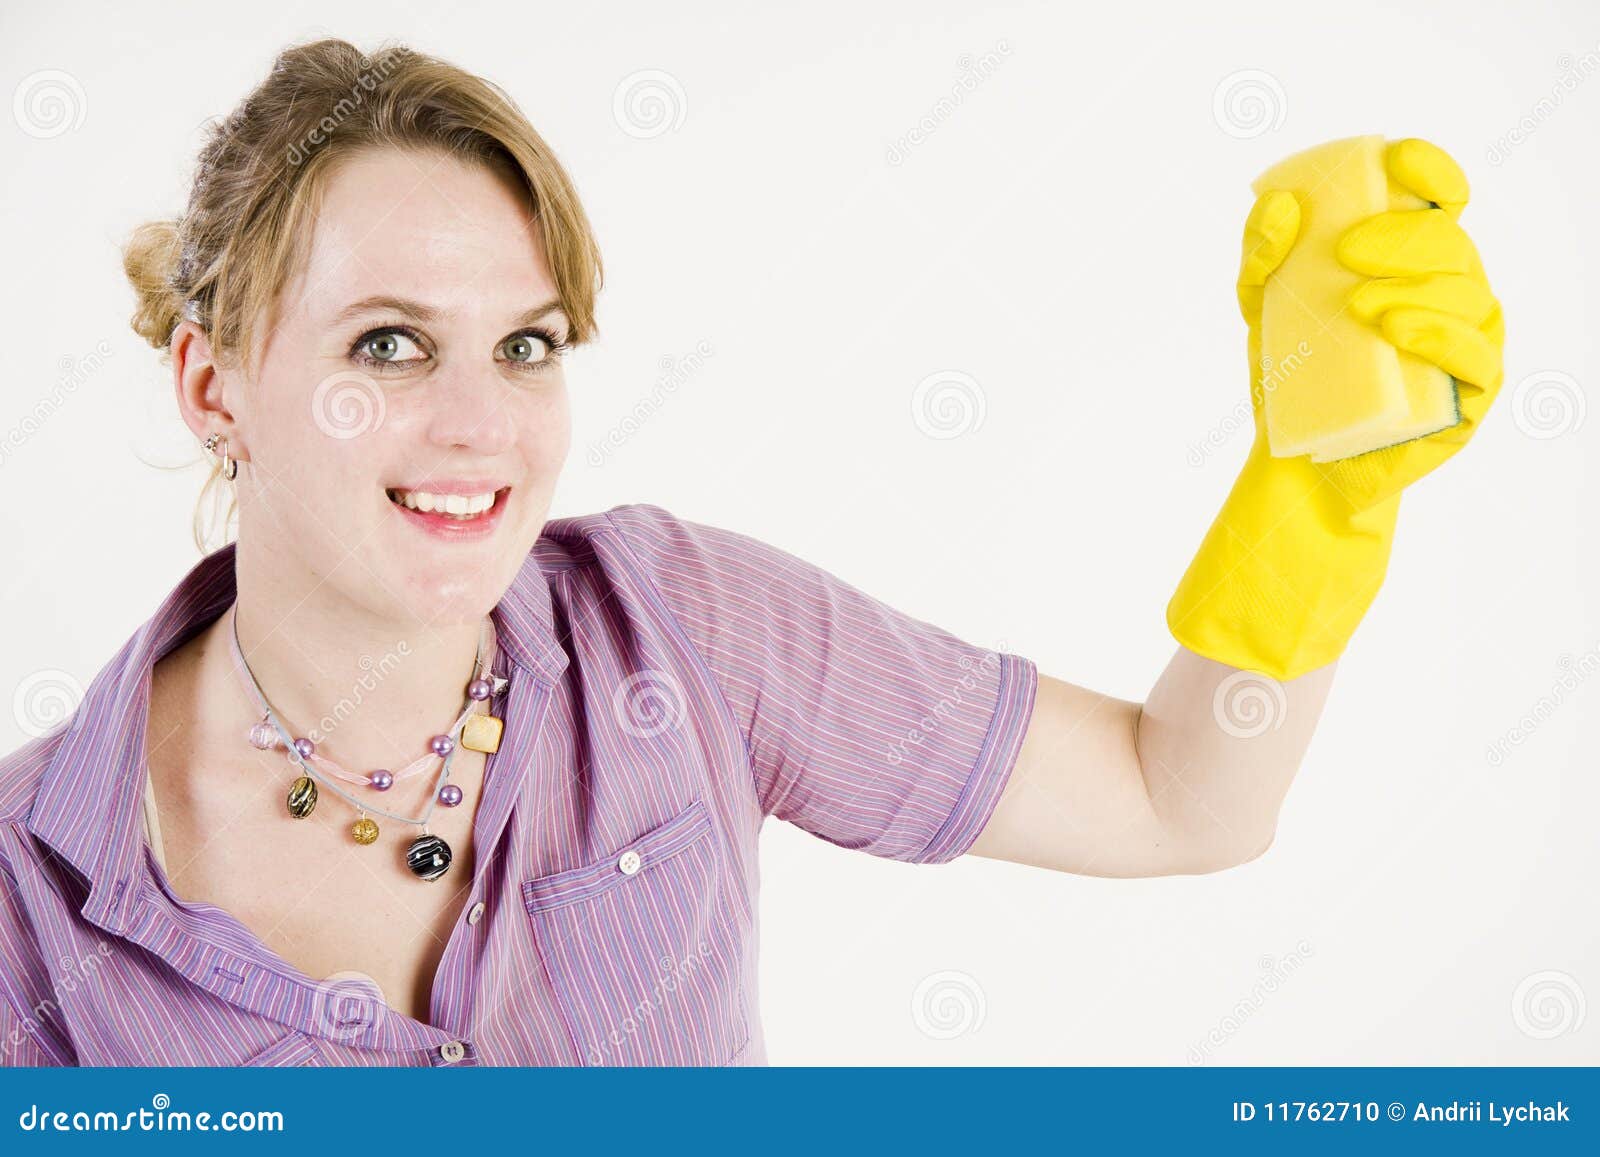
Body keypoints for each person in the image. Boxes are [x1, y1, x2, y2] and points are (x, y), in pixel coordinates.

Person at [0, 38, 1503, 1067]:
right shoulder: (28, 898)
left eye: (526, 345)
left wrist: (1318, 504)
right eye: (387, 345)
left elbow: (1182, 800)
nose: (480, 427)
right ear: (214, 387)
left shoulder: (683, 631)